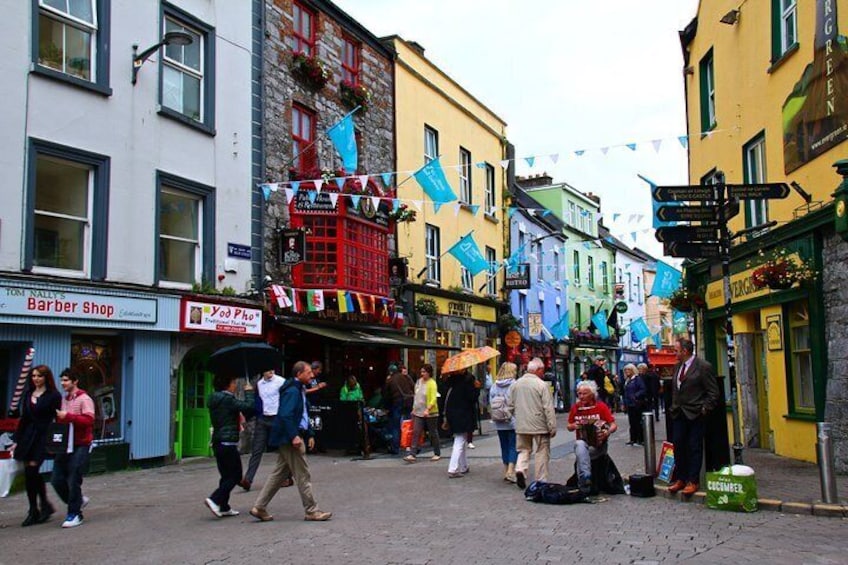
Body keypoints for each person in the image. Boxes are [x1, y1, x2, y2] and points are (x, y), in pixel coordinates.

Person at [249, 361, 332, 522]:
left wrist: (310, 433)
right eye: (308, 373)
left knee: (279, 474)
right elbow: (286, 414)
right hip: (290, 438)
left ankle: (259, 506)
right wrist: (294, 435)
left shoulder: (298, 389)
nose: (312, 375)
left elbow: (303, 414)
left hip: (289, 436)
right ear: (299, 374)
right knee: (302, 474)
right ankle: (311, 510)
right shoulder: (293, 391)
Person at [668, 337, 720, 497]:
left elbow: (713, 392)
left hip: (695, 413)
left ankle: (693, 480)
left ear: (685, 351)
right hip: (679, 413)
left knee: (694, 447)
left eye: (676, 350)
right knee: (678, 446)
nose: (674, 352)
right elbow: (677, 389)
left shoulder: (703, 367)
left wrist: (704, 408)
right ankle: (680, 478)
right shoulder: (677, 367)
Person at [12, 365, 62, 526]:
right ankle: (39, 506)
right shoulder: (28, 394)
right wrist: (16, 439)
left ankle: (38, 508)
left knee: (33, 468)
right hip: (28, 435)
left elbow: (58, 418)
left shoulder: (53, 395)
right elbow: (24, 418)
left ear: (46, 377)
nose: (36, 378)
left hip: (43, 435)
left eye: (39, 376)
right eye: (33, 376)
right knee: (29, 472)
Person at [205, 374, 254, 518]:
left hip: (218, 441)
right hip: (228, 443)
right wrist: (249, 392)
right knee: (235, 475)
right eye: (233, 382)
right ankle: (214, 499)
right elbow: (248, 407)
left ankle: (224, 506)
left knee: (226, 475)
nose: (235, 385)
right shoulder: (227, 399)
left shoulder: (214, 399)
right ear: (227, 385)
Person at [51, 369, 95, 528]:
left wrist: (68, 417)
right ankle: (78, 500)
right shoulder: (64, 399)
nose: (63, 383)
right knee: (56, 479)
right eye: (62, 380)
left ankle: (75, 513)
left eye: (66, 380)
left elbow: (89, 420)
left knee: (74, 475)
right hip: (65, 443)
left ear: (75, 381)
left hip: (81, 443)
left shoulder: (84, 399)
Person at [508, 357, 556, 489]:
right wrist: (552, 426)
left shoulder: (516, 384)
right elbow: (548, 407)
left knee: (523, 449)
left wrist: (515, 418)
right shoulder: (541, 385)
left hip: (521, 424)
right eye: (542, 370)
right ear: (538, 370)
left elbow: (510, 406)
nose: (543, 373)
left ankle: (520, 469)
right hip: (539, 424)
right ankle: (541, 479)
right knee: (542, 451)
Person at [566, 380, 617, 494]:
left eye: (585, 394)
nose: (581, 396)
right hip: (583, 443)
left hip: (599, 444)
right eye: (579, 393)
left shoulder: (601, 407)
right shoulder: (576, 408)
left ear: (592, 394)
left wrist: (607, 432)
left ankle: (584, 483)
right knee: (579, 445)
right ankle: (586, 476)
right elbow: (569, 426)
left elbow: (613, 424)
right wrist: (574, 425)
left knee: (582, 455)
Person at [240, 368, 286, 492]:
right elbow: (256, 402)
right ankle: (248, 479)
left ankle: (287, 476)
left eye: (272, 369)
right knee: (257, 449)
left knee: (284, 448)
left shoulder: (281, 381)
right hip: (263, 419)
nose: (271, 371)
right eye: (267, 369)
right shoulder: (259, 384)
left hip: (277, 418)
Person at [442, 369, 477, 478]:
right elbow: (472, 398)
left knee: (461, 439)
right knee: (460, 440)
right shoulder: (467, 381)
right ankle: (453, 468)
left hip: (452, 413)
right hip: (463, 414)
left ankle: (463, 465)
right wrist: (477, 388)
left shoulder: (451, 381)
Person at [403, 364, 441, 463]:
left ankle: (437, 453)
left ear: (429, 373)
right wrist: (413, 408)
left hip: (430, 412)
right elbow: (417, 396)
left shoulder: (432, 383)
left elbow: (433, 398)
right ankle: (412, 454)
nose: (422, 374)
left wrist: (428, 409)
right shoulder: (419, 382)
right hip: (418, 411)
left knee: (433, 433)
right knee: (416, 432)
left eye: (424, 372)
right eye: (421, 372)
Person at [488, 362, 518, 483]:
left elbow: (491, 402)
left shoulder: (495, 385)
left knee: (504, 446)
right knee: (513, 445)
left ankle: (506, 471)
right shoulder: (515, 385)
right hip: (512, 419)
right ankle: (511, 470)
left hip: (499, 421)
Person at [383, 363, 414, 454]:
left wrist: (386, 407)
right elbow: (413, 386)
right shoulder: (405, 377)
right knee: (408, 424)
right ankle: (409, 445)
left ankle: (395, 447)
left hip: (397, 402)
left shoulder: (390, 380)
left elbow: (386, 395)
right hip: (408, 401)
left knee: (395, 425)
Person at [622, 363, 647, 446]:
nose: (627, 371)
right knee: (632, 423)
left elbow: (643, 389)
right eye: (625, 370)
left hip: (636, 404)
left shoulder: (637, 379)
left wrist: (635, 396)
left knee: (638, 422)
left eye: (628, 370)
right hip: (629, 404)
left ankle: (640, 439)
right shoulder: (627, 380)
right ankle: (633, 439)